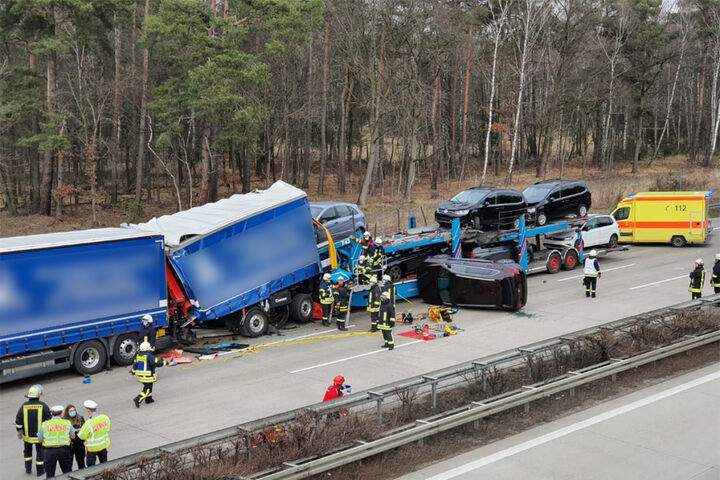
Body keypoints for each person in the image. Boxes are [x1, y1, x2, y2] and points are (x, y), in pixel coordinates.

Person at [15, 384, 50, 476]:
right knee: (40, 452)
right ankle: (40, 471)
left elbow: (18, 420)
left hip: (27, 437)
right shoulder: (43, 406)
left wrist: (19, 430)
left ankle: (28, 469)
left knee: (27, 452)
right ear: (38, 395)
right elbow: (48, 421)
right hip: (40, 436)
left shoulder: (24, 406)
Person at [38, 405, 74, 479]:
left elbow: (39, 439)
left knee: (50, 474)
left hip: (49, 452)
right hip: (64, 450)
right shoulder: (67, 423)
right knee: (67, 473)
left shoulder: (45, 424)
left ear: (51, 414)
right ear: (61, 413)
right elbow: (73, 436)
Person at [131, 341, 168, 407]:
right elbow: (157, 363)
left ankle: (149, 399)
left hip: (141, 376)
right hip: (147, 376)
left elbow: (135, 364)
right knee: (147, 389)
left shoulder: (138, 355)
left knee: (149, 386)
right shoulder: (149, 356)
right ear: (147, 348)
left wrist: (133, 371)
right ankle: (138, 399)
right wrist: (165, 362)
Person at [77, 400, 110, 466]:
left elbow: (81, 436)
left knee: (91, 468)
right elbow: (107, 428)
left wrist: (80, 430)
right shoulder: (105, 417)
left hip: (92, 449)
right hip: (103, 446)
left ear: (88, 410)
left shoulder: (88, 423)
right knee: (104, 466)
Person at [62, 405, 86, 470]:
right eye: (71, 411)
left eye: (74, 410)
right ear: (67, 412)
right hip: (69, 445)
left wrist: (80, 430)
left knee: (81, 463)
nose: (73, 412)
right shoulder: (64, 420)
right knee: (68, 465)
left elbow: (85, 429)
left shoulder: (80, 418)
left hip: (79, 444)